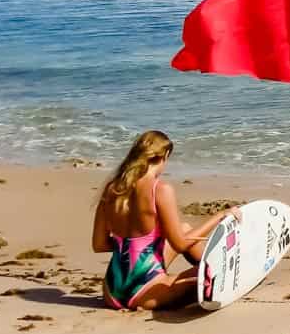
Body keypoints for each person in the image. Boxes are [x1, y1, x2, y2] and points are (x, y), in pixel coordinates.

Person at [90, 129, 239, 311]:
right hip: (146, 289)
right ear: (164, 156)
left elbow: (99, 244)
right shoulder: (159, 189)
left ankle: (209, 265)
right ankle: (215, 266)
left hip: (112, 291)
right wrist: (220, 215)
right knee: (214, 277)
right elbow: (180, 244)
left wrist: (132, 246)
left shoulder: (112, 189)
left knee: (183, 228)